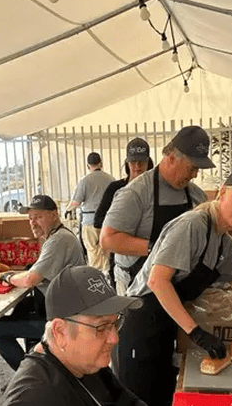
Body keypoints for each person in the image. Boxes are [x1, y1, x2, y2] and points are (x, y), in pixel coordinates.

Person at [119, 166, 232, 406]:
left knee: (162, 405)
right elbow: (158, 282)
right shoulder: (192, 226)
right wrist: (197, 333)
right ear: (222, 193)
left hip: (167, 324)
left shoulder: (224, 241)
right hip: (141, 324)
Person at [0, 266, 165, 406]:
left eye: (115, 323)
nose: (114, 338)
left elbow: (130, 404)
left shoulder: (88, 364)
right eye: (101, 327)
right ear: (60, 332)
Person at [101, 126, 213, 295]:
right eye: (192, 168)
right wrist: (158, 248)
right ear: (172, 158)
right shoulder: (136, 193)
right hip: (136, 285)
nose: (195, 175)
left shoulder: (197, 196)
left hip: (177, 285)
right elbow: (108, 240)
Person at [0, 194, 85, 371]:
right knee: (20, 308)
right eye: (30, 218)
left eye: (38, 217)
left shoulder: (59, 240)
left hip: (63, 320)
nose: (33, 222)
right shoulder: (56, 236)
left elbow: (30, 279)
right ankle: (35, 366)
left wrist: (6, 277)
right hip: (57, 308)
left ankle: (28, 377)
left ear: (54, 215)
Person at [93, 138, 155, 287]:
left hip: (150, 261)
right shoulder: (116, 188)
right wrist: (120, 226)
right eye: (133, 162)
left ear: (149, 163)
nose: (138, 166)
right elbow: (98, 220)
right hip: (122, 261)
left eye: (142, 162)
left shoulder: (156, 190)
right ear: (127, 164)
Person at [66, 152, 115, 272]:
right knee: (107, 251)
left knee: (93, 252)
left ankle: (96, 279)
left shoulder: (84, 181)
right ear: (101, 164)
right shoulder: (111, 179)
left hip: (90, 222)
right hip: (108, 221)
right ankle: (108, 277)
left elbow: (76, 203)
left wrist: (68, 210)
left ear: (88, 166)